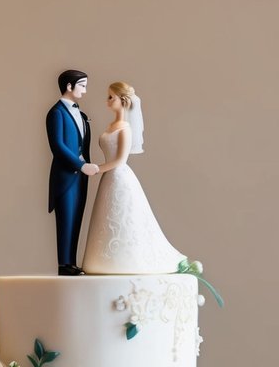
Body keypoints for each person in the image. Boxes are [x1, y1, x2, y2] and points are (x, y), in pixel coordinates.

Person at [81, 82, 186, 275]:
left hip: (119, 176)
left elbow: (120, 160)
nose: (107, 101)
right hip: (108, 179)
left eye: (111, 97)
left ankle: (124, 260)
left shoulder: (125, 129)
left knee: (123, 216)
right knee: (107, 217)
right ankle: (105, 260)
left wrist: (97, 169)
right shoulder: (111, 126)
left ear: (123, 100)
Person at [46, 69, 100, 276]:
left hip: (81, 178)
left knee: (77, 218)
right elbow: (58, 146)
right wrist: (80, 166)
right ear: (69, 86)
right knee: (66, 219)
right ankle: (64, 263)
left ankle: (72, 262)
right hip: (66, 177)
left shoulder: (81, 114)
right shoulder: (56, 113)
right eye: (82, 86)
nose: (85, 91)